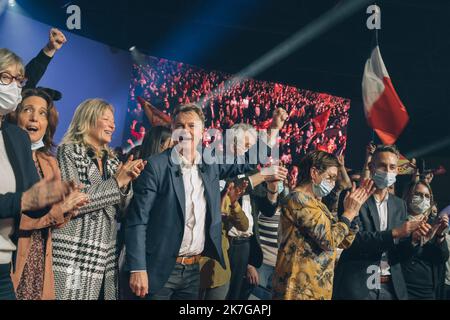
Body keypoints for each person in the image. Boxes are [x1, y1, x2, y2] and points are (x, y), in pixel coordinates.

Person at [125, 104, 287, 300]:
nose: (185, 131)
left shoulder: (210, 163)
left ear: (203, 131)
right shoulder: (156, 166)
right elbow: (137, 221)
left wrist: (274, 128)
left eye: (191, 126)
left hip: (193, 270)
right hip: (158, 269)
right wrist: (138, 268)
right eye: (179, 126)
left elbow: (248, 160)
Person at [52, 98, 145, 300]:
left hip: (105, 256)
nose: (113, 125)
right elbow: (74, 201)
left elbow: (123, 213)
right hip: (75, 251)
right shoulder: (68, 152)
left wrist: (126, 184)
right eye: (106, 119)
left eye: (113, 121)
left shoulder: (113, 162)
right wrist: (116, 183)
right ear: (88, 120)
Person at [0, 48, 71, 300]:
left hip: (10, 264)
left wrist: (54, 201)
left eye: (19, 80)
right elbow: (23, 206)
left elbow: (35, 206)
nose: (13, 86)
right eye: (5, 77)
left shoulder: (18, 140)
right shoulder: (15, 135)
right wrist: (48, 52)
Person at [7, 88, 89, 300]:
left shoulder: (49, 162)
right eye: (28, 110)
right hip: (11, 255)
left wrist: (68, 208)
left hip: (39, 257)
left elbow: (54, 220)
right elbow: (16, 215)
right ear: (15, 115)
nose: (35, 117)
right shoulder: (4, 156)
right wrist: (59, 210)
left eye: (42, 113)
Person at [272, 150, 374, 300]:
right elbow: (329, 241)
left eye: (334, 179)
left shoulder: (319, 204)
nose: (332, 184)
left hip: (317, 288)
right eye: (330, 177)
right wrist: (348, 214)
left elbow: (344, 241)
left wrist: (354, 213)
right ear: (314, 173)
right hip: (297, 289)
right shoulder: (297, 199)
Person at [333, 145, 427, 300]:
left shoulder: (399, 205)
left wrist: (414, 241)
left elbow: (398, 254)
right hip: (359, 284)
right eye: (383, 166)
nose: (388, 171)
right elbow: (354, 240)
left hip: (389, 285)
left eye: (392, 167)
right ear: (371, 166)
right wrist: (395, 233)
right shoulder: (354, 197)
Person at [401, 181, 449, 300]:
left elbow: (441, 258)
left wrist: (440, 236)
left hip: (428, 291)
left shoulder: (433, 224)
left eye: (427, 196)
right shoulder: (398, 222)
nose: (423, 199)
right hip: (403, 289)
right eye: (418, 194)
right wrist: (415, 240)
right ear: (407, 196)